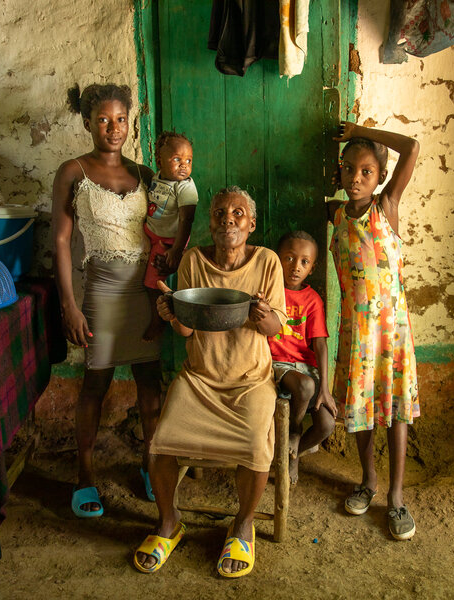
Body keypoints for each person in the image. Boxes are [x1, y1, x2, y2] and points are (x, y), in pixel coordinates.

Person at [132, 186, 286, 578]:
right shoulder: (193, 261)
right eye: (220, 213)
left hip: (251, 380)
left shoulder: (267, 262)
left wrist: (262, 314)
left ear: (251, 224)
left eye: (237, 213)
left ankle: (243, 524)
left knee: (255, 445)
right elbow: (186, 330)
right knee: (160, 442)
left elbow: (274, 328)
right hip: (200, 378)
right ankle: (169, 522)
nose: (228, 219)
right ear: (211, 222)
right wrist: (170, 312)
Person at [50, 83, 161, 517]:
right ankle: (85, 476)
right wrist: (69, 305)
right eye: (102, 120)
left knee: (150, 385)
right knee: (95, 383)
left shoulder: (145, 174)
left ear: (130, 121)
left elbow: (161, 240)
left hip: (144, 289)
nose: (113, 128)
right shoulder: (72, 172)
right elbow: (60, 242)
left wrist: (161, 299)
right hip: (100, 289)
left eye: (120, 119)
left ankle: (151, 467)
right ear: (87, 123)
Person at [327, 121, 421, 541]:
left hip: (392, 335)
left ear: (380, 177)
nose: (356, 179)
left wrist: (360, 132)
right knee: (361, 412)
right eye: (349, 170)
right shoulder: (336, 216)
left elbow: (412, 146)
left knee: (395, 413)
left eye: (366, 171)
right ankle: (368, 481)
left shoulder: (387, 206)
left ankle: (396, 498)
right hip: (356, 334)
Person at [268, 230, 337, 484]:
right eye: (289, 258)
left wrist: (326, 389)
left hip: (306, 369)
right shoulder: (269, 292)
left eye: (304, 262)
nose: (296, 267)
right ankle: (293, 435)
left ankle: (289, 454)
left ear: (312, 267)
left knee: (327, 424)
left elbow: (320, 345)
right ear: (277, 259)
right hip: (278, 367)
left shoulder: (313, 300)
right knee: (306, 386)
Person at [142, 131, 198, 340]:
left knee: (153, 282)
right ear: (159, 161)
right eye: (177, 159)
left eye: (188, 160)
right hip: (154, 233)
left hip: (169, 241)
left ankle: (159, 321)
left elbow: (186, 221)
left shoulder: (185, 187)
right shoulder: (157, 178)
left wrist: (176, 250)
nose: (184, 165)